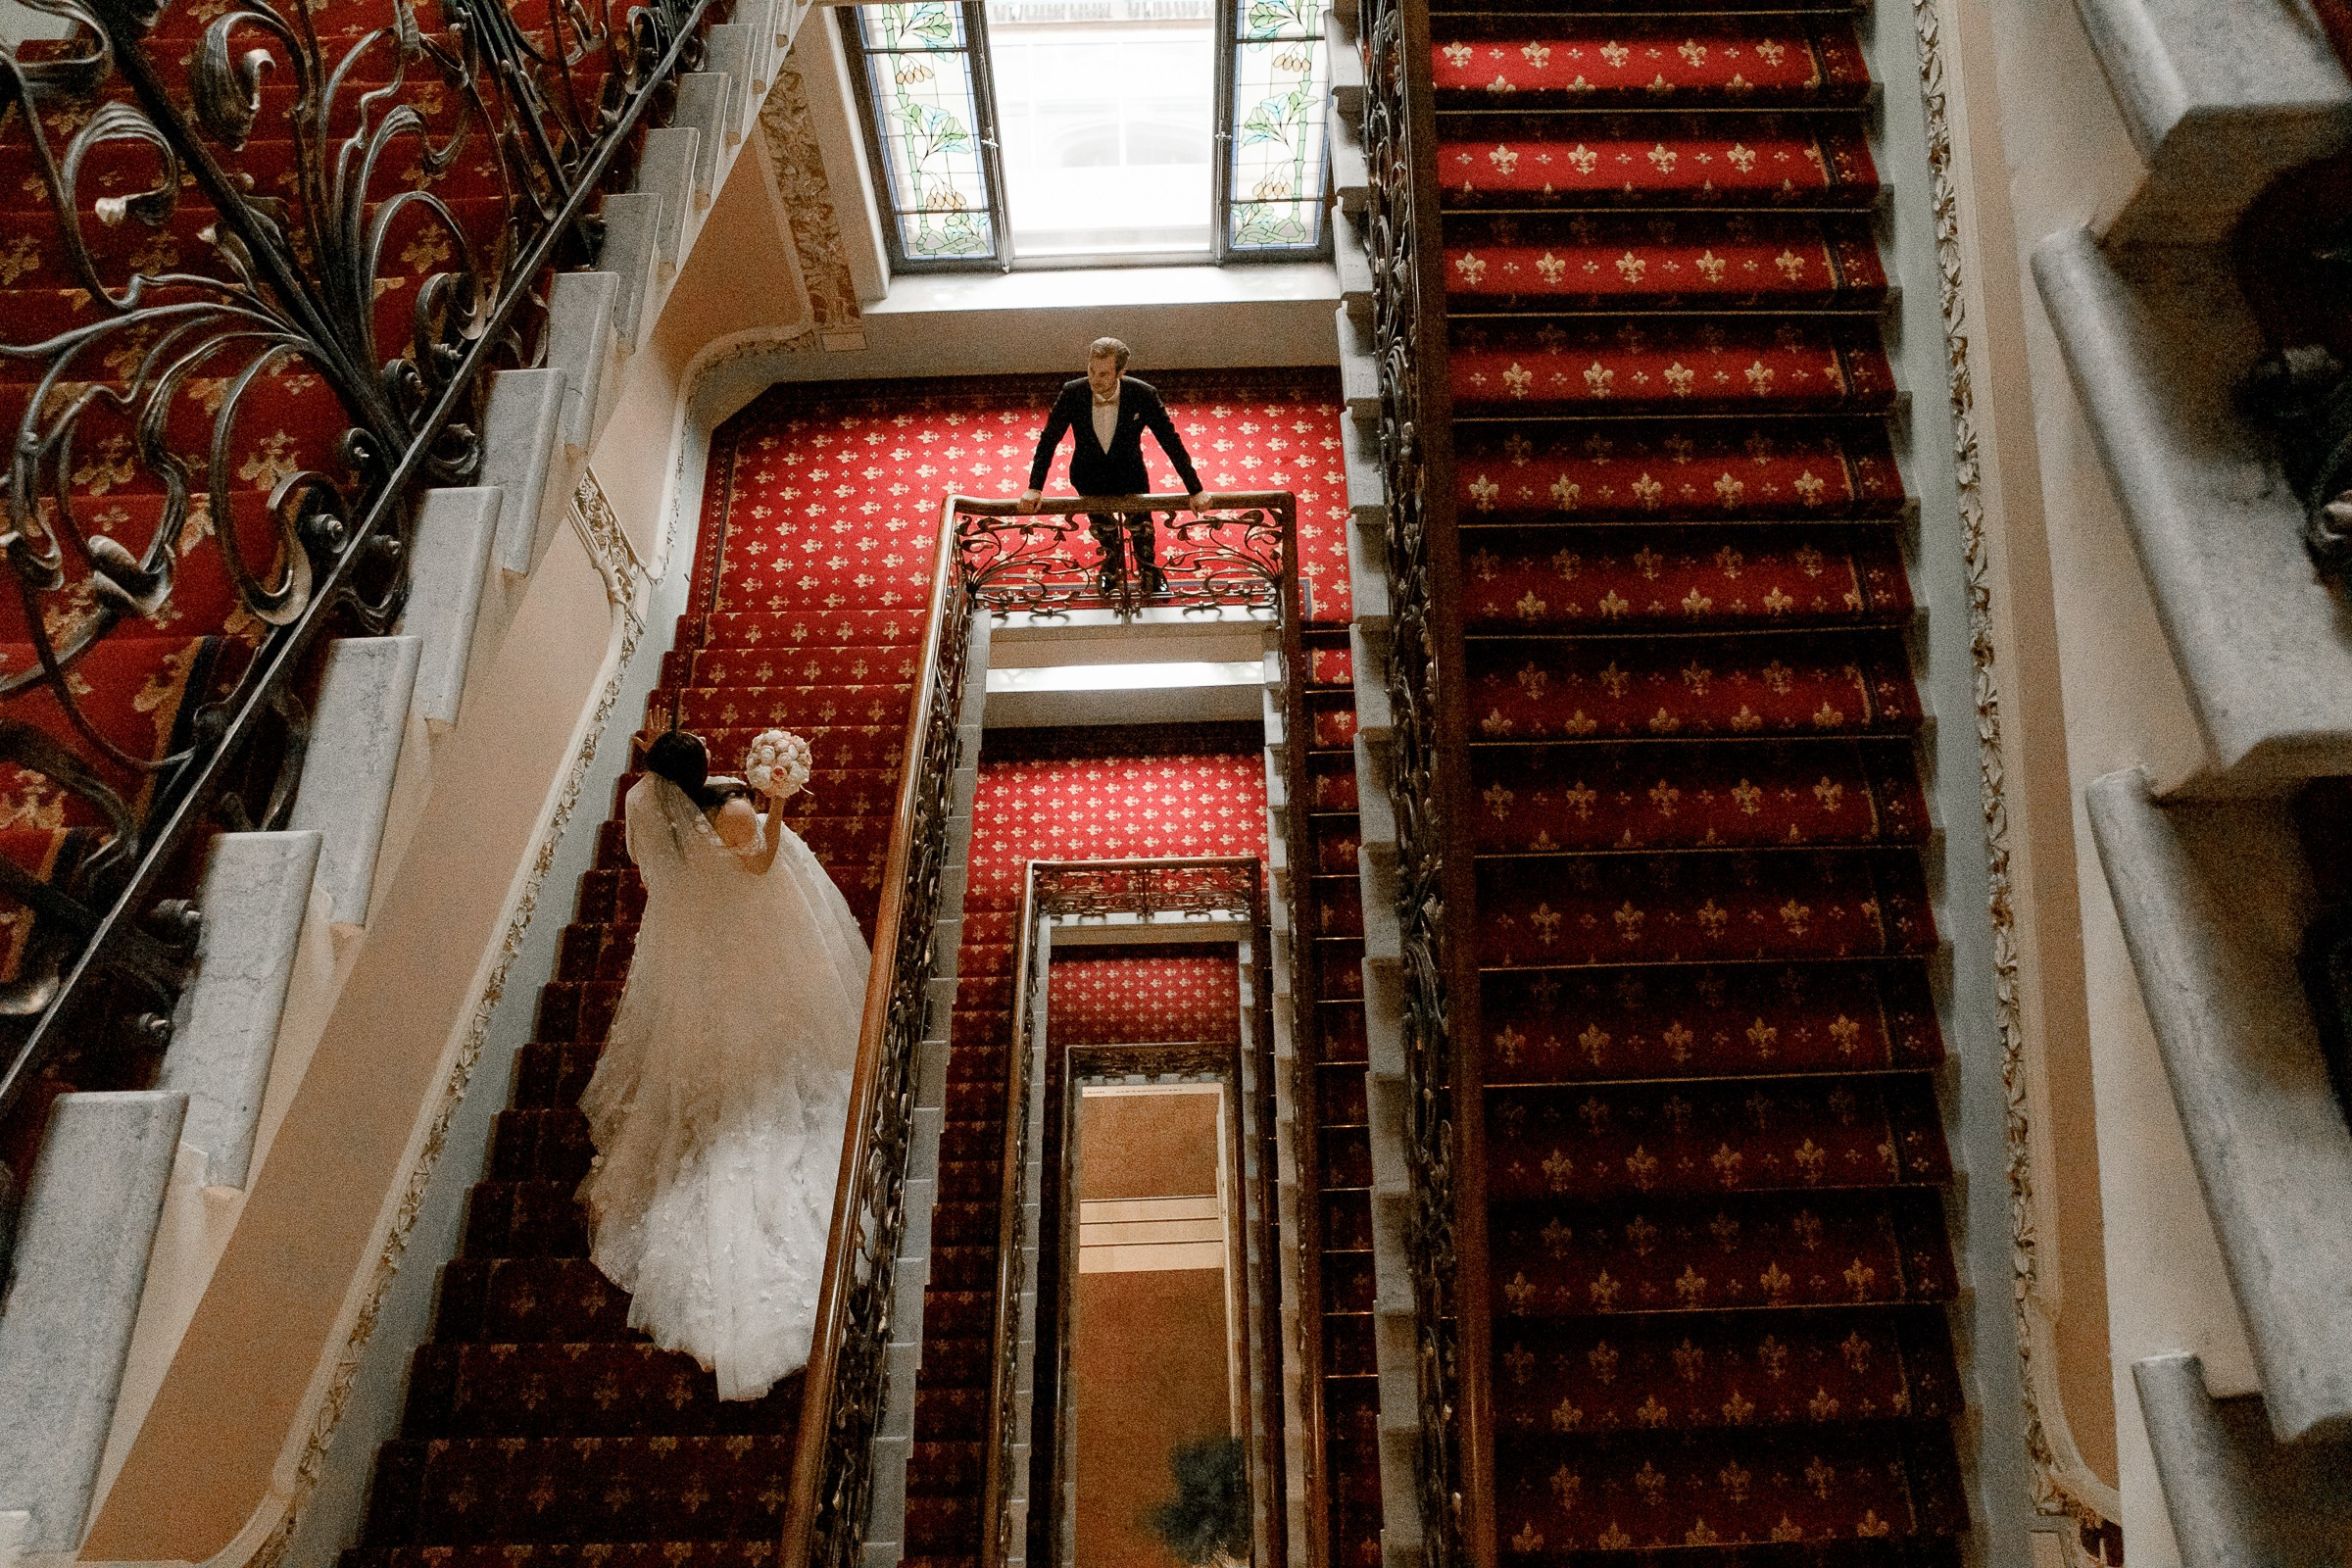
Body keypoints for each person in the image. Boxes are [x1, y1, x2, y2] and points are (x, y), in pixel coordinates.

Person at [576, 728, 870, 1400]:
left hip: (700, 947)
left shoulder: (651, 804)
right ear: (697, 772)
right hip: (753, 928)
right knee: (789, 1041)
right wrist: (777, 804)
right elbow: (762, 865)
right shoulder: (734, 815)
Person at [1019, 337, 1211, 596]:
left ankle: (1149, 569)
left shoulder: (1143, 394)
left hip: (1130, 474)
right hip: (1088, 476)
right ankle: (1111, 566)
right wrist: (1035, 487)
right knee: (1102, 529)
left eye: (1103, 373)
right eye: (1091, 370)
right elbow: (1048, 440)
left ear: (1121, 372)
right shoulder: (1072, 392)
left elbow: (1170, 442)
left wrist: (1195, 489)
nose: (1094, 379)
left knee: (1142, 527)